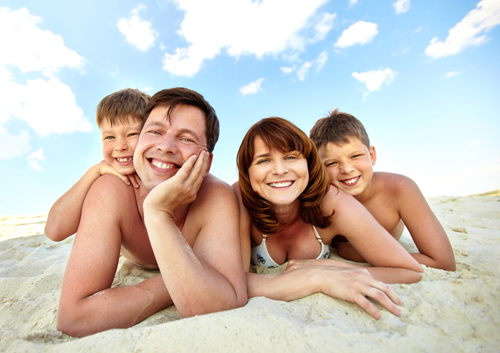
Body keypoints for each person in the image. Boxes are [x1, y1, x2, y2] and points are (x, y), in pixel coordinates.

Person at [57, 87, 247, 337]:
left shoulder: (215, 195)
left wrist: (157, 212)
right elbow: (74, 317)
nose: (166, 146)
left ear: (206, 162)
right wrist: (186, 278)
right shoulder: (111, 190)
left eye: (187, 138)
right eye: (155, 132)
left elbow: (221, 304)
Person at [233, 117, 424, 320]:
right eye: (263, 160)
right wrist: (317, 278)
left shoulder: (331, 200)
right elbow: (232, 284)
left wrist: (337, 268)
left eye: (291, 157)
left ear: (308, 163)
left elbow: (409, 270)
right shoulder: (238, 200)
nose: (280, 170)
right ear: (247, 173)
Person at [309, 109, 455, 271]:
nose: (347, 168)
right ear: (319, 169)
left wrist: (358, 255)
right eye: (331, 163)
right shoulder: (320, 202)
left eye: (355, 156)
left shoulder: (399, 189)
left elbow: (442, 262)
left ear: (371, 155)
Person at [45, 88, 149, 242]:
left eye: (132, 134)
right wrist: (94, 172)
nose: (120, 146)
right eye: (109, 137)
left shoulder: (164, 170)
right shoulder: (105, 174)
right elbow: (54, 230)